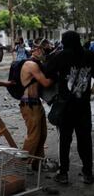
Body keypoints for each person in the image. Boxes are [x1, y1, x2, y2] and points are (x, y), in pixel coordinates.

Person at [46, 31, 94, 185]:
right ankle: (88, 173)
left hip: (65, 107)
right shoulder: (89, 55)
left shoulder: (60, 55)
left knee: (65, 140)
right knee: (85, 140)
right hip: (83, 106)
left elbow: (47, 71)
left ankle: (64, 173)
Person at [19, 38, 53, 170]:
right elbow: (46, 83)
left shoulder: (37, 63)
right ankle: (20, 166)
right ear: (37, 50)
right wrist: (57, 76)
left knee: (42, 134)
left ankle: (37, 164)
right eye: (43, 51)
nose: (44, 54)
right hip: (29, 105)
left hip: (35, 103)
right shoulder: (30, 64)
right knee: (33, 136)